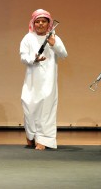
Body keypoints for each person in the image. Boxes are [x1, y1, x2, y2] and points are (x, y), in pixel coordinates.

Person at [19, 9, 67, 150]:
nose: (40, 24)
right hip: (32, 81)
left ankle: (43, 140)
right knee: (28, 107)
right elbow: (23, 57)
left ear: (48, 23)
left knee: (46, 110)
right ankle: (31, 135)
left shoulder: (54, 37)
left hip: (48, 81)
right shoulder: (28, 38)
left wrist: (54, 44)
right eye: (37, 21)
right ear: (33, 23)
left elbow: (63, 54)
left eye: (43, 21)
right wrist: (33, 59)